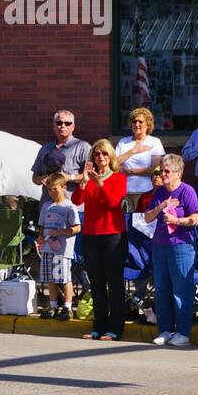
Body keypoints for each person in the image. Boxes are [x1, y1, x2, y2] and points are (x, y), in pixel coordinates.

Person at [73, 139, 128, 341]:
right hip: (91, 235)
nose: (101, 157)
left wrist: (99, 182)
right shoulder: (89, 178)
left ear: (110, 156)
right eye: (97, 154)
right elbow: (76, 200)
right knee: (96, 283)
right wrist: (85, 181)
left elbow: (113, 202)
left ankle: (115, 328)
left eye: (104, 153)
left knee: (114, 283)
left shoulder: (119, 178)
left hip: (113, 235)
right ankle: (99, 325)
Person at [144, 153, 198, 347]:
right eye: (161, 170)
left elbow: (195, 219)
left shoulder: (187, 191)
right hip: (160, 246)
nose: (162, 174)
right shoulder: (159, 192)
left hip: (181, 246)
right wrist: (161, 207)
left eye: (167, 171)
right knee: (161, 290)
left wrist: (177, 221)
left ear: (178, 173)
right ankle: (165, 330)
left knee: (181, 291)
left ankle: (183, 332)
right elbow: (147, 218)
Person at [37, 172, 81, 320]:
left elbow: (77, 227)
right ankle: (53, 305)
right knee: (51, 278)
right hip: (48, 247)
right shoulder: (46, 206)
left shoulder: (69, 206)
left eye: (55, 189)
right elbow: (42, 225)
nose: (52, 192)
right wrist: (40, 236)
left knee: (64, 278)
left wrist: (61, 231)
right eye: (49, 189)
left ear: (64, 187)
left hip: (62, 249)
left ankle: (68, 306)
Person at [31, 109, 91, 197]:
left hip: (73, 205)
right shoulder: (45, 148)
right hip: (48, 205)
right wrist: (41, 179)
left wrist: (69, 177)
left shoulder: (83, 147)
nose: (63, 126)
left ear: (73, 127)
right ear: (54, 126)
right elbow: (35, 176)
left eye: (67, 123)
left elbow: (91, 176)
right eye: (59, 123)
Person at [116, 107, 164, 213]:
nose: (137, 124)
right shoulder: (123, 142)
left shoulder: (154, 142)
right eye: (134, 121)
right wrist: (133, 150)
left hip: (145, 192)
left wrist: (130, 171)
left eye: (140, 121)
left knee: (142, 225)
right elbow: (114, 165)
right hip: (124, 192)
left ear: (148, 124)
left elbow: (155, 169)